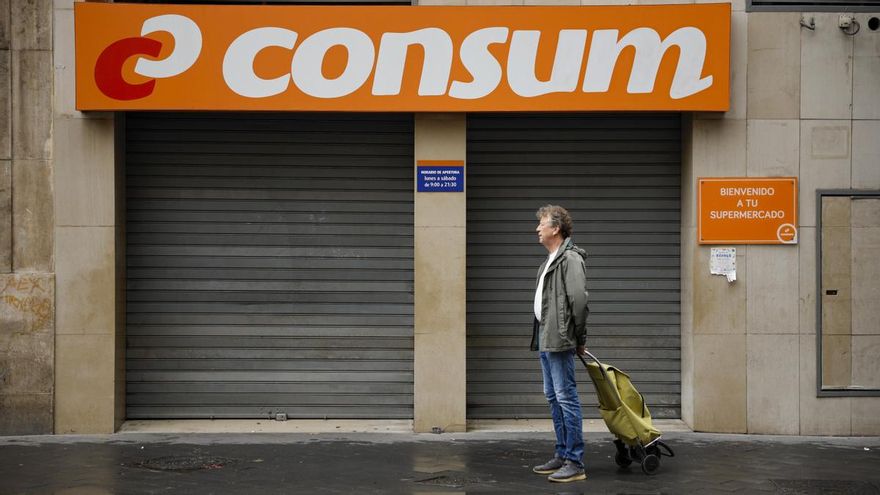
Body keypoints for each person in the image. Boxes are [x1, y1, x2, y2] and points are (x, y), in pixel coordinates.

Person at [530, 204, 589, 483]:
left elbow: (578, 302)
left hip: (560, 339)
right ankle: (562, 453)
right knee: (553, 397)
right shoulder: (550, 260)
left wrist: (579, 338)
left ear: (556, 228)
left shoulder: (570, 260)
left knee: (566, 397)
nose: (537, 229)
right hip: (546, 338)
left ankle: (575, 461)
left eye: (542, 224)